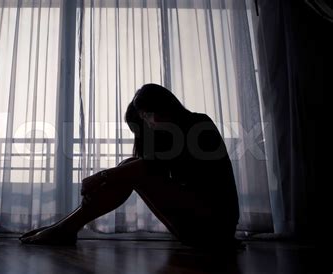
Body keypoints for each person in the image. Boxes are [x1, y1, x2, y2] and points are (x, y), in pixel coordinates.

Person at [19, 83, 240, 250]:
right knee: (131, 167)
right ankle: (65, 228)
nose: (150, 121)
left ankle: (64, 229)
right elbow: (148, 168)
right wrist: (109, 176)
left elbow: (148, 169)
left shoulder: (197, 124)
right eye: (145, 118)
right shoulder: (164, 138)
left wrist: (101, 176)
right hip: (193, 227)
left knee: (134, 169)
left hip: (215, 226)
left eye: (148, 114)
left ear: (165, 106)